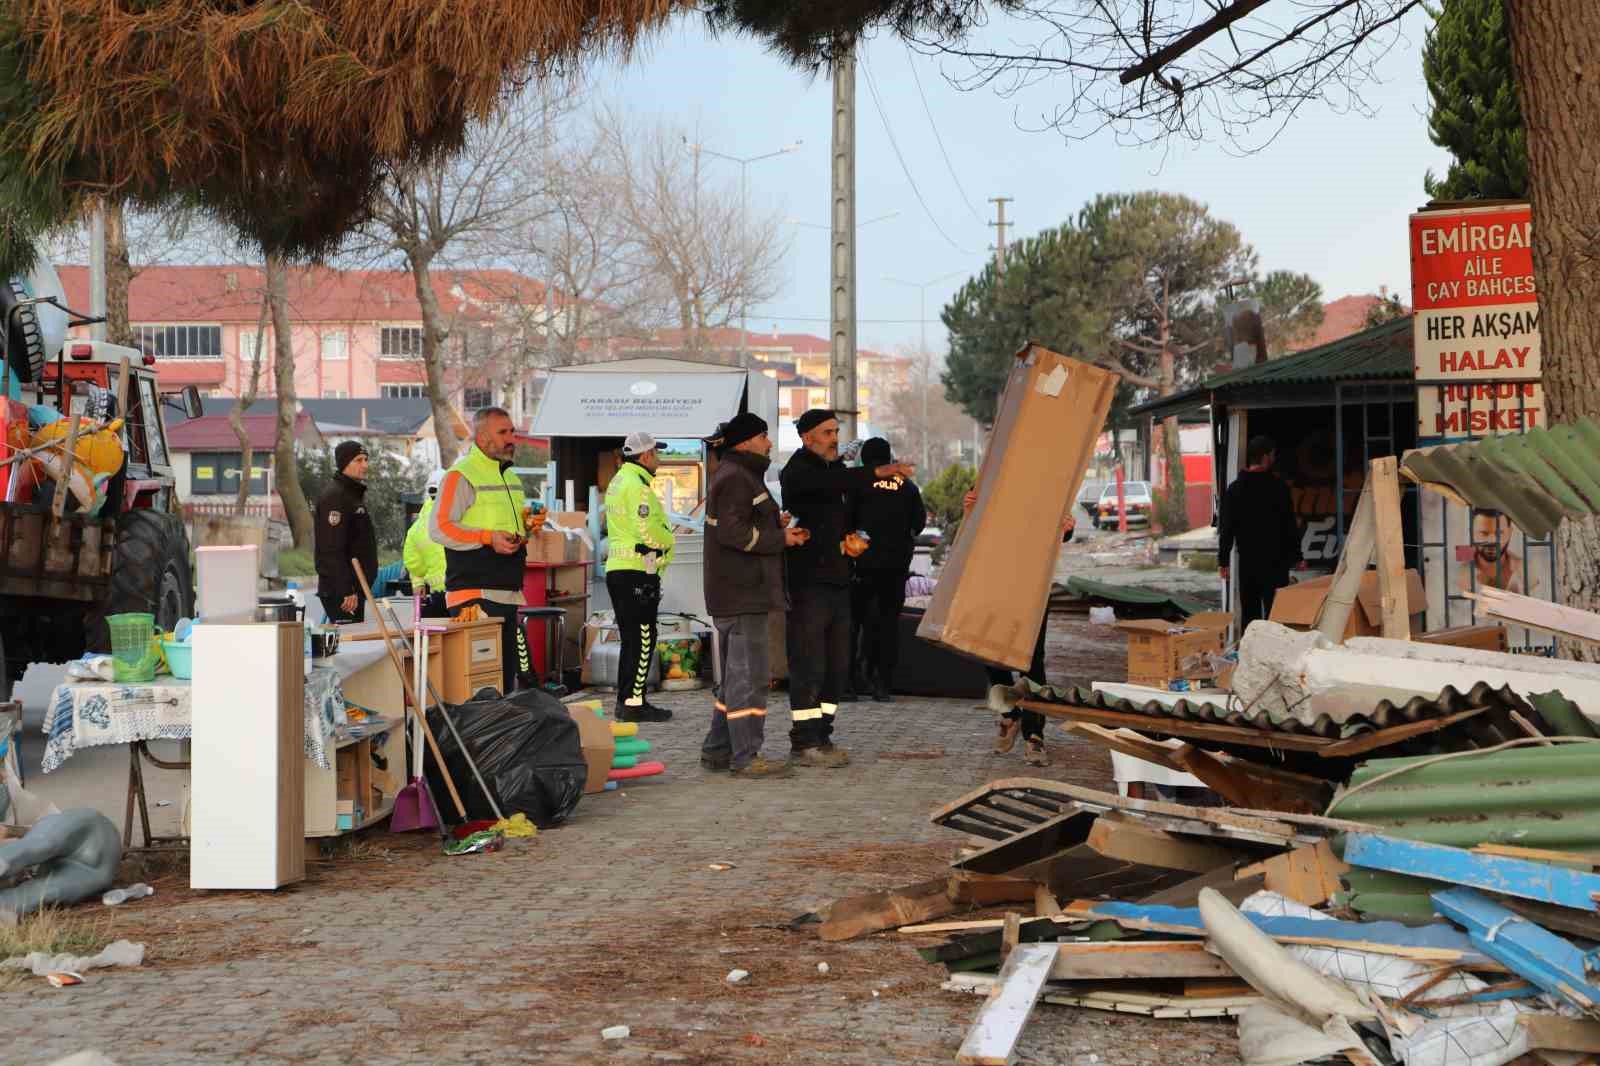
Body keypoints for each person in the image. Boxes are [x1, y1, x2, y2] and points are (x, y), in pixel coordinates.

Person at [780, 409, 914, 767]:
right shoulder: (798, 471)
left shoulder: (834, 470)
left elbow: (843, 500)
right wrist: (879, 471)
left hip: (839, 580)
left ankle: (823, 734)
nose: (834, 439)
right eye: (827, 433)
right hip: (809, 584)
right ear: (807, 437)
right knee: (809, 663)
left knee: (836, 664)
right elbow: (834, 484)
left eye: (836, 432)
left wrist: (852, 539)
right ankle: (804, 741)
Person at [699, 412, 809, 779]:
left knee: (736, 679)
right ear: (746, 441)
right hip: (743, 594)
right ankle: (746, 756)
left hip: (740, 594)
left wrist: (773, 524)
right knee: (750, 680)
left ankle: (718, 750)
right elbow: (733, 534)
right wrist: (781, 538)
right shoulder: (736, 477)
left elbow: (739, 525)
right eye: (764, 436)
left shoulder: (739, 474)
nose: (769, 442)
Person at [430, 407, 540, 695]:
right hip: (474, 597)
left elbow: (505, 531)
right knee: (481, 688)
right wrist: (487, 537)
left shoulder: (510, 477)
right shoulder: (461, 475)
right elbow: (439, 528)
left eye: (512, 431)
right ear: (481, 438)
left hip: (507, 592)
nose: (511, 438)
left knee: (503, 685)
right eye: (502, 432)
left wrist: (528, 527)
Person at [963, 488, 1074, 767]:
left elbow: (1058, 526)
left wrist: (1067, 528)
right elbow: (968, 533)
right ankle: (1011, 715)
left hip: (1032, 584)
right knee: (990, 653)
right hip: (992, 580)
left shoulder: (1042, 482)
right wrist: (968, 511)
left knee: (1031, 660)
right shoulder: (991, 480)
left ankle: (1034, 735)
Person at [603, 432, 677, 723]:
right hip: (638, 570)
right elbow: (648, 532)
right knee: (643, 638)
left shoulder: (619, 481)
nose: (659, 459)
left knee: (632, 639)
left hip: (621, 569)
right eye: (656, 453)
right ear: (645, 456)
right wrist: (670, 540)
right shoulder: (638, 487)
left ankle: (627, 702)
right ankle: (634, 704)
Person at [851, 437, 926, 702]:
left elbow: (846, 520)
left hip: (862, 565)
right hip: (895, 567)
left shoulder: (859, 484)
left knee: (854, 622)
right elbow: (919, 523)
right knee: (888, 624)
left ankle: (851, 683)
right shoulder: (907, 486)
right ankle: (883, 685)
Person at [1218, 435, 1303, 630]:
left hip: (1248, 562)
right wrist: (1297, 556)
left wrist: (1223, 560)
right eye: (1272, 455)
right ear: (1265, 457)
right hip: (1276, 563)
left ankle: (1252, 646)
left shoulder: (1235, 489)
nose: (1273, 458)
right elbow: (1289, 525)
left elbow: (1227, 528)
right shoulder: (1279, 488)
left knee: (1251, 614)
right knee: (1277, 613)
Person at [314, 440, 378, 623]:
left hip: (356, 589)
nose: (365, 465)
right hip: (344, 592)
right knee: (347, 638)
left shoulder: (352, 495)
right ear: (344, 463)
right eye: (358, 460)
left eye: (366, 459)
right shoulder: (335, 497)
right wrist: (346, 590)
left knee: (352, 636)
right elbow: (331, 548)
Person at [404, 469, 448, 616]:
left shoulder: (417, 527)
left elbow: (413, 563)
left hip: (437, 594)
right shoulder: (458, 515)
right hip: (463, 591)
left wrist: (418, 582)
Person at [1460, 509, 1524, 594]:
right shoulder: (1459, 560)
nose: (1492, 540)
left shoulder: (1523, 568)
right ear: (1472, 533)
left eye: (1499, 533)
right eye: (1484, 533)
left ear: (1509, 533)